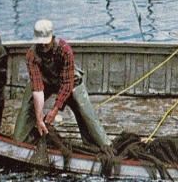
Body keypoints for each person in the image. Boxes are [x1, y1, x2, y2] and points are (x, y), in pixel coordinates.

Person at [13, 19, 111, 148]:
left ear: (52, 37)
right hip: (45, 82)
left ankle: (101, 145)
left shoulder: (65, 50)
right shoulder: (31, 55)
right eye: (40, 43)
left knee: (86, 112)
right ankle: (25, 140)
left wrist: (54, 111)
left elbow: (66, 84)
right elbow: (37, 89)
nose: (42, 46)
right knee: (27, 109)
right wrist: (39, 117)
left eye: (45, 43)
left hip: (70, 82)